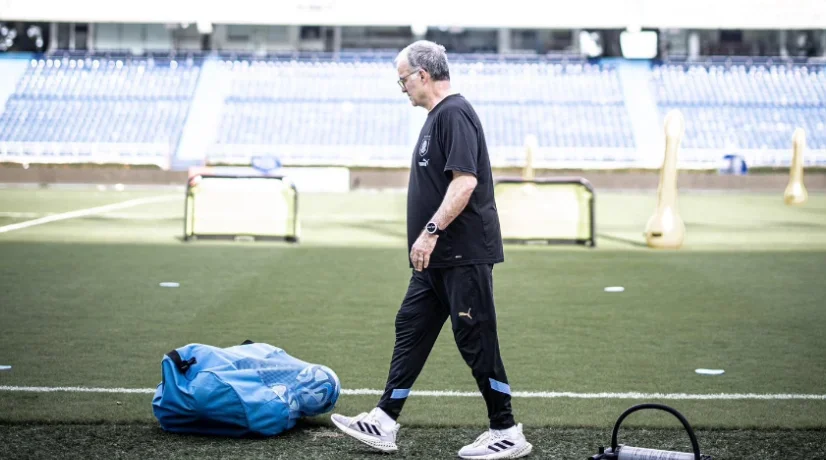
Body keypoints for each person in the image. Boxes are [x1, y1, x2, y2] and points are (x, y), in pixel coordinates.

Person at [331, 40, 532, 460]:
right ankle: (384, 419)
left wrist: (430, 230)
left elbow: (465, 182)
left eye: (402, 78)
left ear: (423, 75)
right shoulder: (436, 117)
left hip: (461, 253)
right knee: (411, 327)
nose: (400, 86)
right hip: (435, 261)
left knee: (475, 339)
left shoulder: (454, 113)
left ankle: (507, 429)